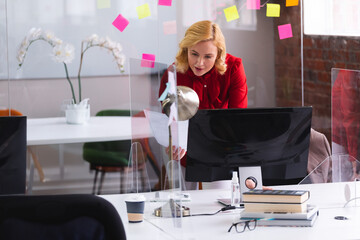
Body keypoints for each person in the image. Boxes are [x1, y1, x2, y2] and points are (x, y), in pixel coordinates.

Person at [158, 20, 248, 189]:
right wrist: (175, 140)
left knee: (219, 199)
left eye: (208, 56)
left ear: (219, 54)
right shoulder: (174, 72)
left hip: (221, 146)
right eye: (194, 54)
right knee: (183, 204)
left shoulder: (234, 68)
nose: (199, 63)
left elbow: (238, 117)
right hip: (184, 147)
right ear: (186, 50)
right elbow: (167, 115)